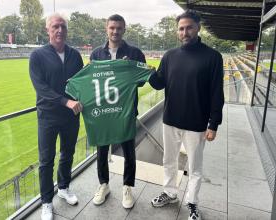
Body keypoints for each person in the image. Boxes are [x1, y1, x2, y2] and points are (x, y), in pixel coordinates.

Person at [149, 10, 224, 220]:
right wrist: (147, 72)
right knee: (168, 161)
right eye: (181, 28)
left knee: (194, 168)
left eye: (189, 27)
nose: (185, 32)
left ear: (198, 27)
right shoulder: (170, 56)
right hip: (170, 120)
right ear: (177, 32)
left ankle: (192, 203)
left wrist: (213, 124)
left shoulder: (212, 57)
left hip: (197, 123)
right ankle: (170, 193)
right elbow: (158, 83)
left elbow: (217, 93)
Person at [29, 13, 83, 220]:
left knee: (67, 154)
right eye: (55, 26)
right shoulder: (38, 56)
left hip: (71, 117)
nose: (59, 30)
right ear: (47, 30)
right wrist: (65, 101)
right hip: (48, 117)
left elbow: (81, 82)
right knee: (46, 160)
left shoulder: (74, 55)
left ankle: (64, 187)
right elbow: (41, 88)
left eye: (63, 26)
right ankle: (46, 202)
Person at [90, 14, 146, 209]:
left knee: (129, 152)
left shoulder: (135, 52)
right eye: (112, 28)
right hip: (103, 112)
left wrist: (141, 72)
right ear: (106, 28)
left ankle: (127, 187)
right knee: (102, 150)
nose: (115, 31)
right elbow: (91, 80)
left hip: (126, 111)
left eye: (119, 28)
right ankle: (103, 184)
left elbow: (141, 81)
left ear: (124, 29)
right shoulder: (96, 54)